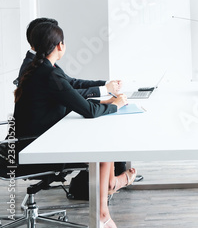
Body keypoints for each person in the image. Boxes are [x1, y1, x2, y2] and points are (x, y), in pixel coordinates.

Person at [12, 22, 136, 228]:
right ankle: (104, 211)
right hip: (35, 150)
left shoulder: (40, 68)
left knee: (101, 145)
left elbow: (69, 90)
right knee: (103, 150)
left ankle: (110, 188)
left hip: (30, 142)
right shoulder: (47, 74)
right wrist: (116, 104)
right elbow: (89, 111)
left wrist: (104, 98)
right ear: (59, 46)